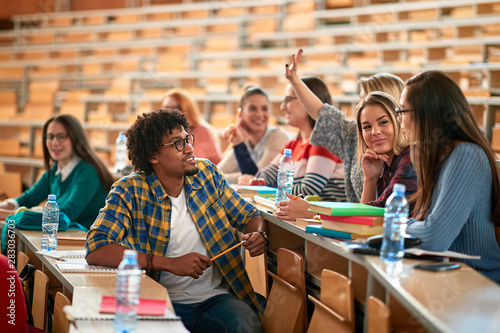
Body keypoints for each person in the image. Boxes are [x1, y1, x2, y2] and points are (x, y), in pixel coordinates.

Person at [85, 109, 268, 333]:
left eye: (187, 139)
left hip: (216, 300)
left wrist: (259, 233)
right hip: (157, 300)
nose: (190, 149)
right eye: (177, 144)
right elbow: (97, 247)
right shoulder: (130, 190)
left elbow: (249, 215)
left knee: (246, 326)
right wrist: (169, 263)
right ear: (153, 156)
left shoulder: (207, 174)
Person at [400, 70, 500, 283]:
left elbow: (433, 238)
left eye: (402, 111)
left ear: (426, 113)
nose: (399, 119)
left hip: (479, 283)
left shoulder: (466, 156)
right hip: (450, 277)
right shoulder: (438, 157)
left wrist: (395, 224)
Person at [285, 48, 406, 203]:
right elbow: (322, 114)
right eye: (360, 100)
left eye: (366, 100)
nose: (360, 107)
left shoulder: (409, 156)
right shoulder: (355, 134)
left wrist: (312, 212)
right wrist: (294, 79)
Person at [239, 77, 347, 220]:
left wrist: (267, 187)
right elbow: (262, 178)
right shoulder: (292, 145)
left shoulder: (324, 143)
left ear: (307, 99)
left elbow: (307, 191)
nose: (283, 107)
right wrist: (239, 144)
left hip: (328, 224)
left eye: (288, 100)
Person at [0, 114, 113, 229]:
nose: (54, 142)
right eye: (50, 137)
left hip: (87, 241)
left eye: (61, 136)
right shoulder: (54, 170)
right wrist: (3, 206)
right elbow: (29, 199)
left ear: (75, 139)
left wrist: (5, 214)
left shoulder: (88, 171)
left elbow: (64, 215)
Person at [218, 86, 290, 184]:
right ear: (241, 114)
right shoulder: (245, 139)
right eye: (253, 109)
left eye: (264, 109)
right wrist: (240, 141)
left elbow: (257, 177)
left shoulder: (278, 137)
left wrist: (240, 145)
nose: (260, 114)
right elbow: (217, 172)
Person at [162, 88, 223, 164]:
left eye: (177, 108)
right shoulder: (161, 134)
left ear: (188, 109)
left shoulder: (203, 131)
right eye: (166, 108)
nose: (171, 112)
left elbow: (217, 163)